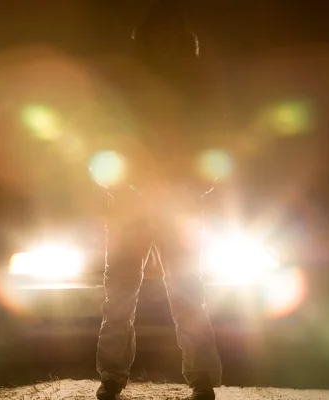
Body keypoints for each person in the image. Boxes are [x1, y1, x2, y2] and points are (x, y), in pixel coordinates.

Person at [94, 1, 225, 399]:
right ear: (148, 36)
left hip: (176, 200)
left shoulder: (197, 80)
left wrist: (197, 185)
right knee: (119, 292)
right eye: (158, 31)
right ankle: (113, 376)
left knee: (186, 290)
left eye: (170, 31)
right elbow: (105, 131)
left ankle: (202, 377)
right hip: (132, 201)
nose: (164, 38)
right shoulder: (127, 80)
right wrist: (116, 186)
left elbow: (213, 138)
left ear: (179, 35)